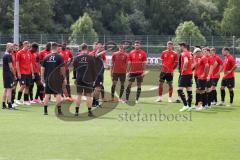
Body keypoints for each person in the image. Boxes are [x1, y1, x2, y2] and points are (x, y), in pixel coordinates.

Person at [41, 42, 66, 115]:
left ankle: (45, 112)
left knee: (47, 94)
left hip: (48, 78)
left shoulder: (46, 57)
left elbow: (42, 68)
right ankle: (59, 111)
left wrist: (42, 77)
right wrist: (64, 78)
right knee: (58, 94)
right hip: (56, 78)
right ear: (57, 48)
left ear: (51, 48)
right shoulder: (59, 57)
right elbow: (62, 69)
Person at [73, 43, 96, 117]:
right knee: (89, 95)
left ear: (81, 48)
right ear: (87, 48)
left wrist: (75, 78)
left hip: (79, 78)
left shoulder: (77, 58)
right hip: (88, 78)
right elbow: (93, 70)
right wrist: (94, 79)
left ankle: (76, 112)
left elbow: (74, 69)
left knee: (79, 95)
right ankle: (89, 112)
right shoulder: (90, 57)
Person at [15, 41, 34, 106]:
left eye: (29, 46)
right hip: (22, 72)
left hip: (28, 72)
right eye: (27, 46)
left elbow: (30, 63)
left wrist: (32, 73)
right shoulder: (19, 53)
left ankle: (25, 100)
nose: (28, 47)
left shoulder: (29, 53)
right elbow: (17, 63)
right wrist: (18, 73)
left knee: (28, 86)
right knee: (23, 85)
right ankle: (17, 99)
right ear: (24, 45)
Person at [178, 43, 193, 112]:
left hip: (185, 74)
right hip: (190, 74)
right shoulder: (189, 53)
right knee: (189, 90)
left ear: (182, 47)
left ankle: (185, 105)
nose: (179, 48)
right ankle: (189, 106)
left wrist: (183, 70)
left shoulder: (184, 53)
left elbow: (186, 61)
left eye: (179, 47)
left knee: (179, 90)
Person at [90, 42, 106, 107]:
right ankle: (94, 102)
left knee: (98, 88)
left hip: (100, 73)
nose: (97, 47)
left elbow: (103, 60)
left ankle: (95, 102)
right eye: (96, 46)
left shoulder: (101, 54)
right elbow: (96, 55)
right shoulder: (92, 53)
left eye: (98, 46)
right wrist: (102, 50)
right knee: (97, 88)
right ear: (93, 46)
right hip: (97, 74)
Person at [2, 43, 16, 109]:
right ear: (7, 47)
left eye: (12, 47)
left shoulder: (5, 55)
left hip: (5, 74)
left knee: (5, 89)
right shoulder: (8, 56)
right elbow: (11, 67)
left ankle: (3, 104)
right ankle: (10, 105)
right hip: (8, 75)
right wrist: (14, 75)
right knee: (9, 89)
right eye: (11, 47)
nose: (12, 48)